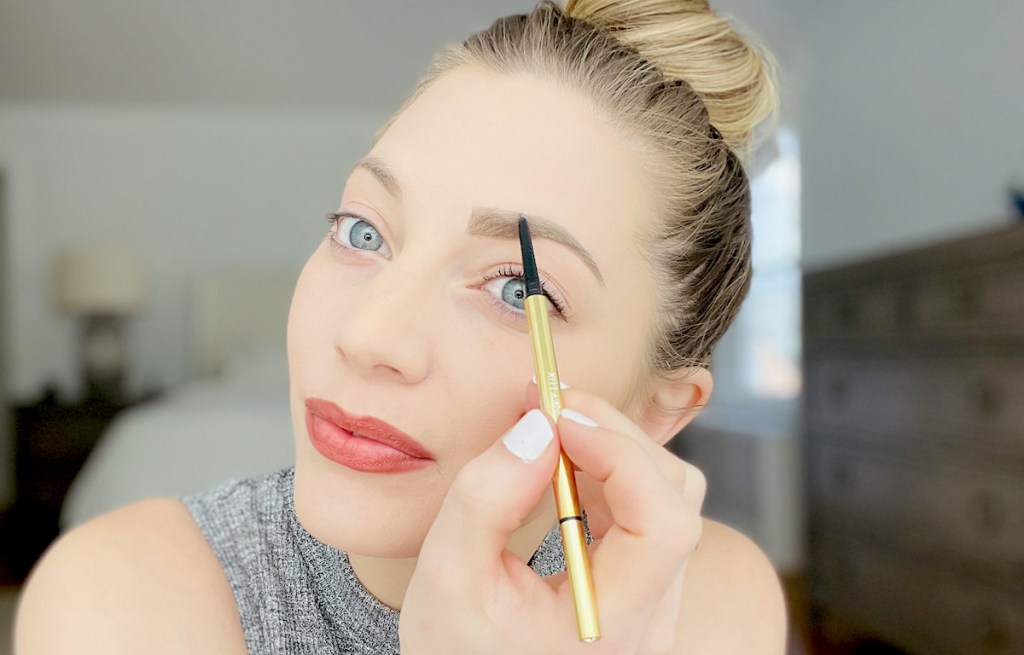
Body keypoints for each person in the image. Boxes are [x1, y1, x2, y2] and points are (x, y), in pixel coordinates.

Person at [15, 1, 786, 652]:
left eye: (519, 287)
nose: (368, 335)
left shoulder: (711, 601)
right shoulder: (123, 599)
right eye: (362, 231)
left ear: (659, 409)